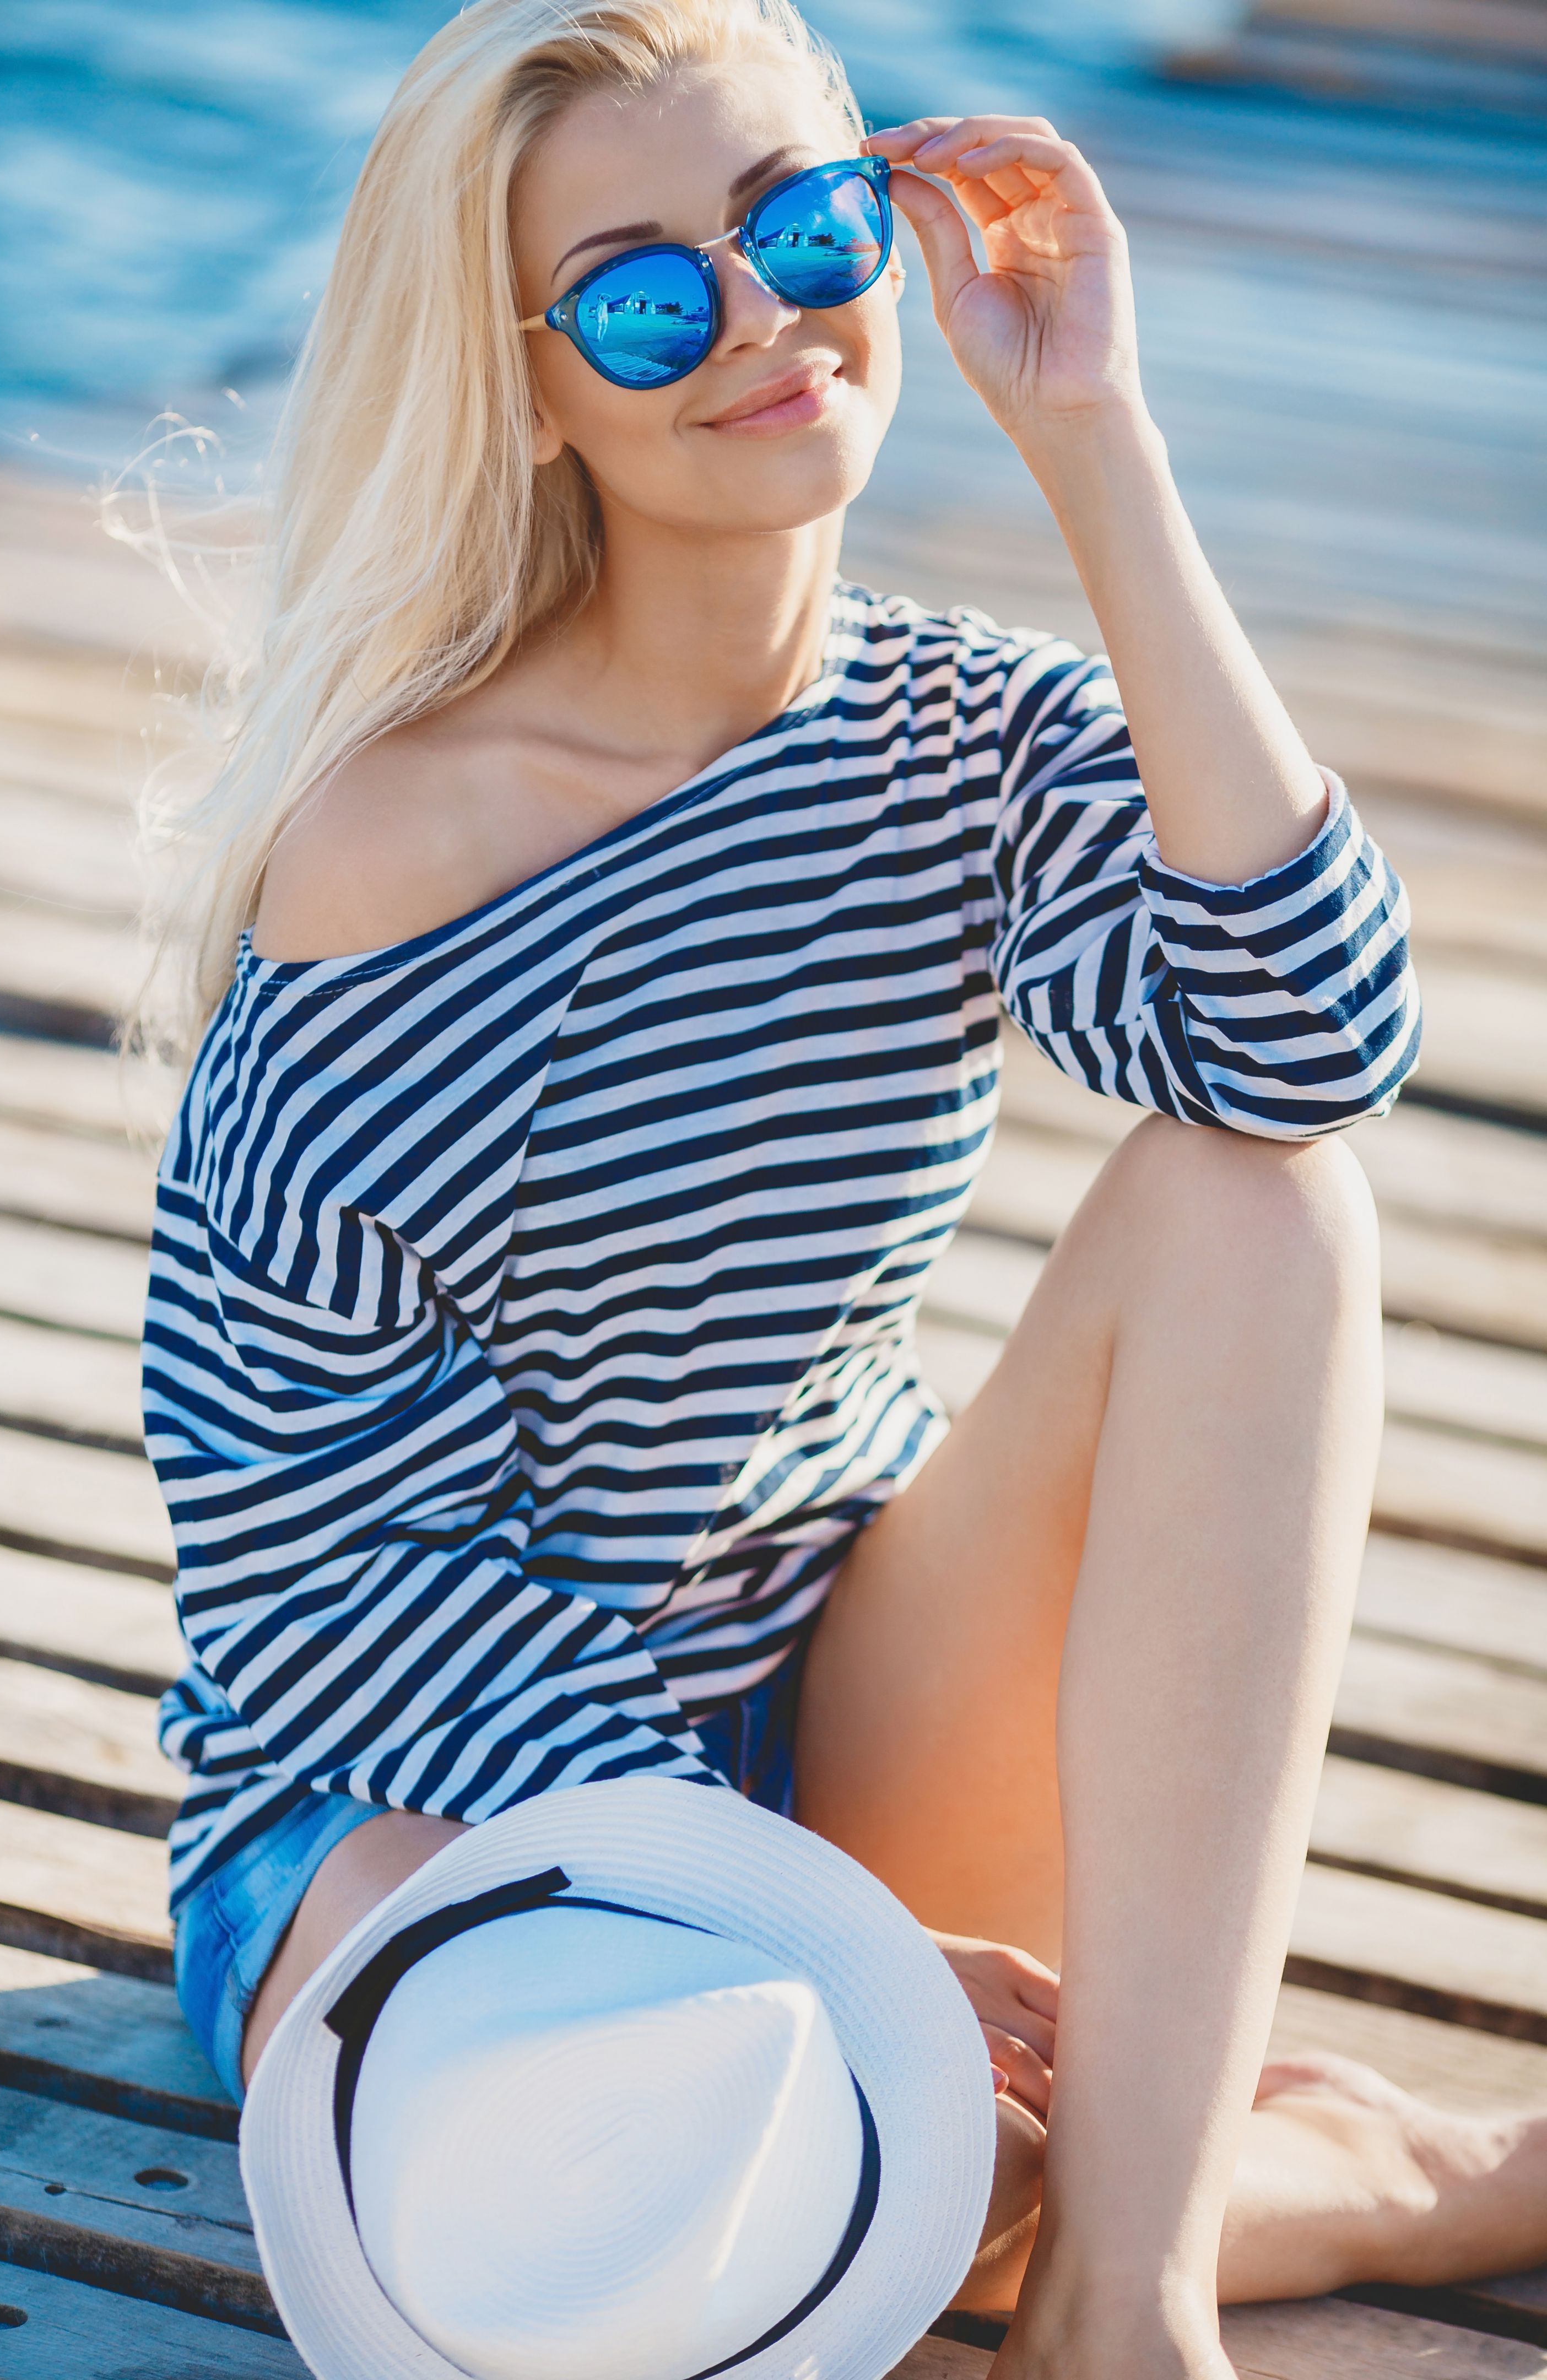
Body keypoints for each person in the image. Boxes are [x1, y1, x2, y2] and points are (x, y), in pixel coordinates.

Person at [138, 0, 1547, 2373]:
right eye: (650, 294)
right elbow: (320, 1573)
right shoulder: (399, 853)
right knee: (617, 2237)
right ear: (537, 382)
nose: (768, 322)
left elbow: (1309, 1044)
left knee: (1258, 1201)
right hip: (441, 1782)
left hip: (855, 1693)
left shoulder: (964, 739)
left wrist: (1094, 438)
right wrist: (803, 1934)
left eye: (804, 225)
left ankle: (1126, 2280)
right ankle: (1358, 2174)